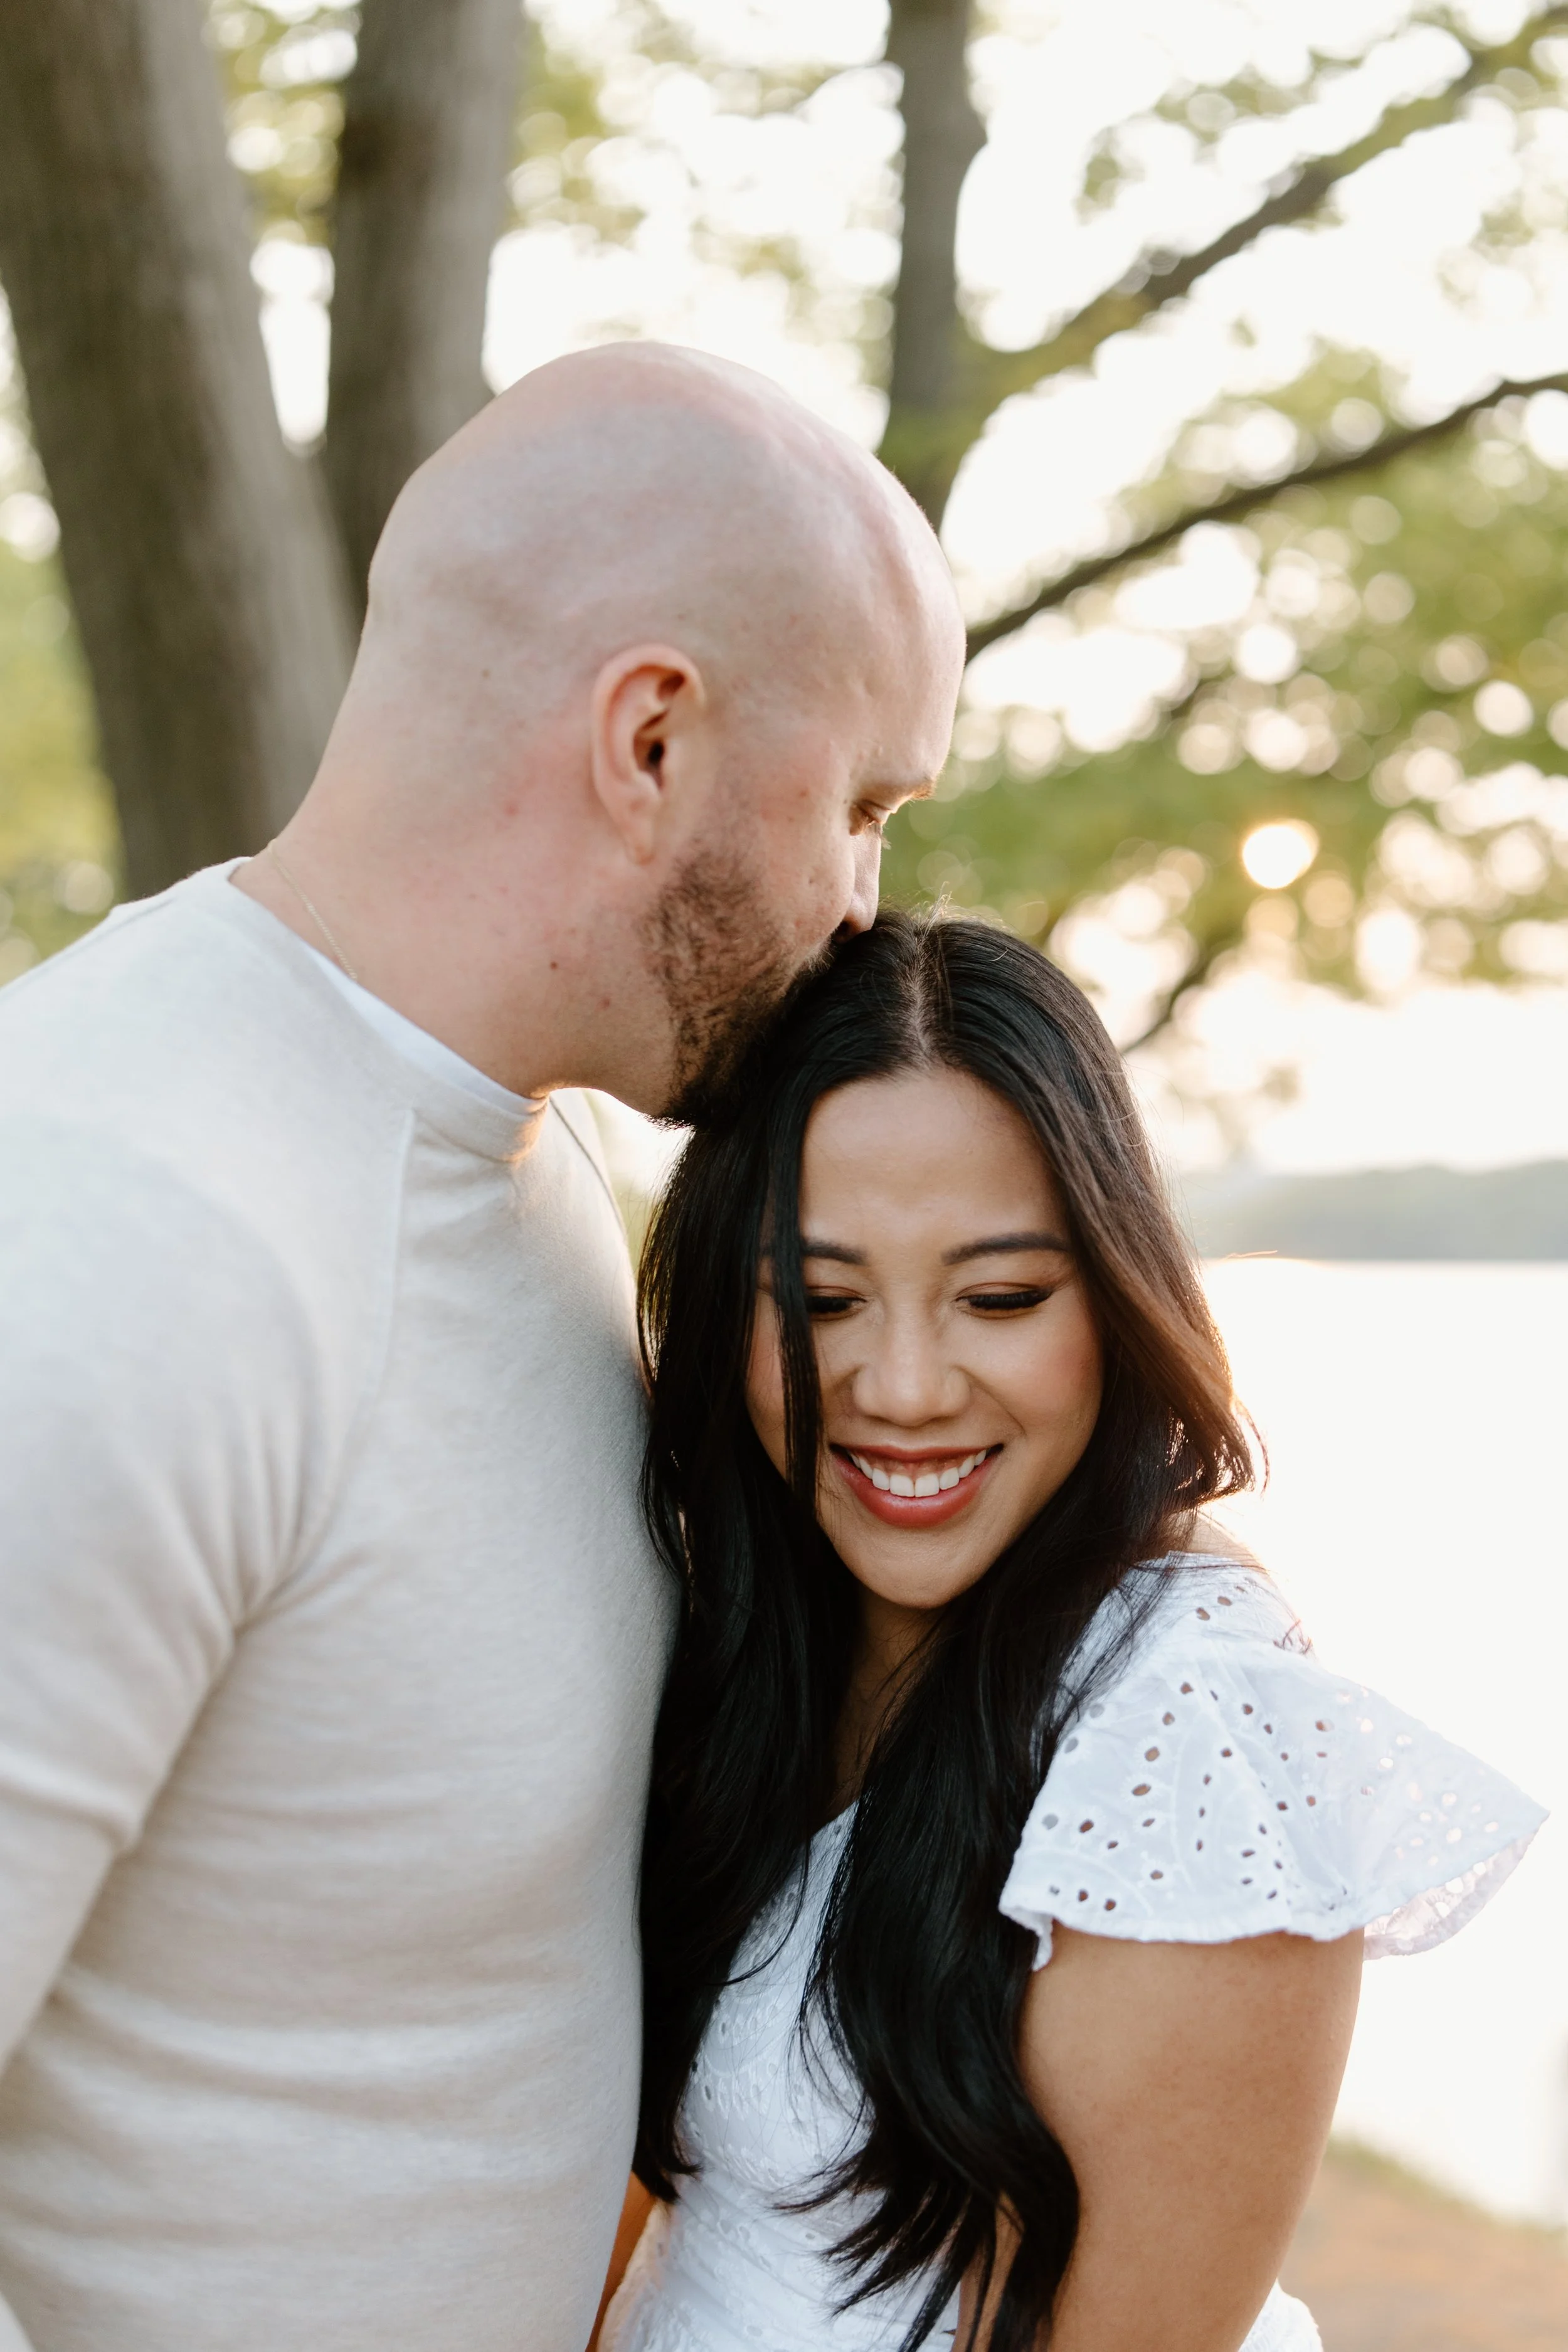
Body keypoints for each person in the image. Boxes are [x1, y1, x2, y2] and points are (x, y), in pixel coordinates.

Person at [0, 345, 965, 2352]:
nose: (868, 903)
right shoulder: (118, 1223)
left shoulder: (534, 1143)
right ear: (651, 744)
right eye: (862, 806)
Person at [599, 910, 1545, 2352]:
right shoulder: (746, 1629)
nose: (902, 1387)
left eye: (998, 1297)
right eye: (820, 1297)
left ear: (1112, 1298)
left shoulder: (1194, 1735)